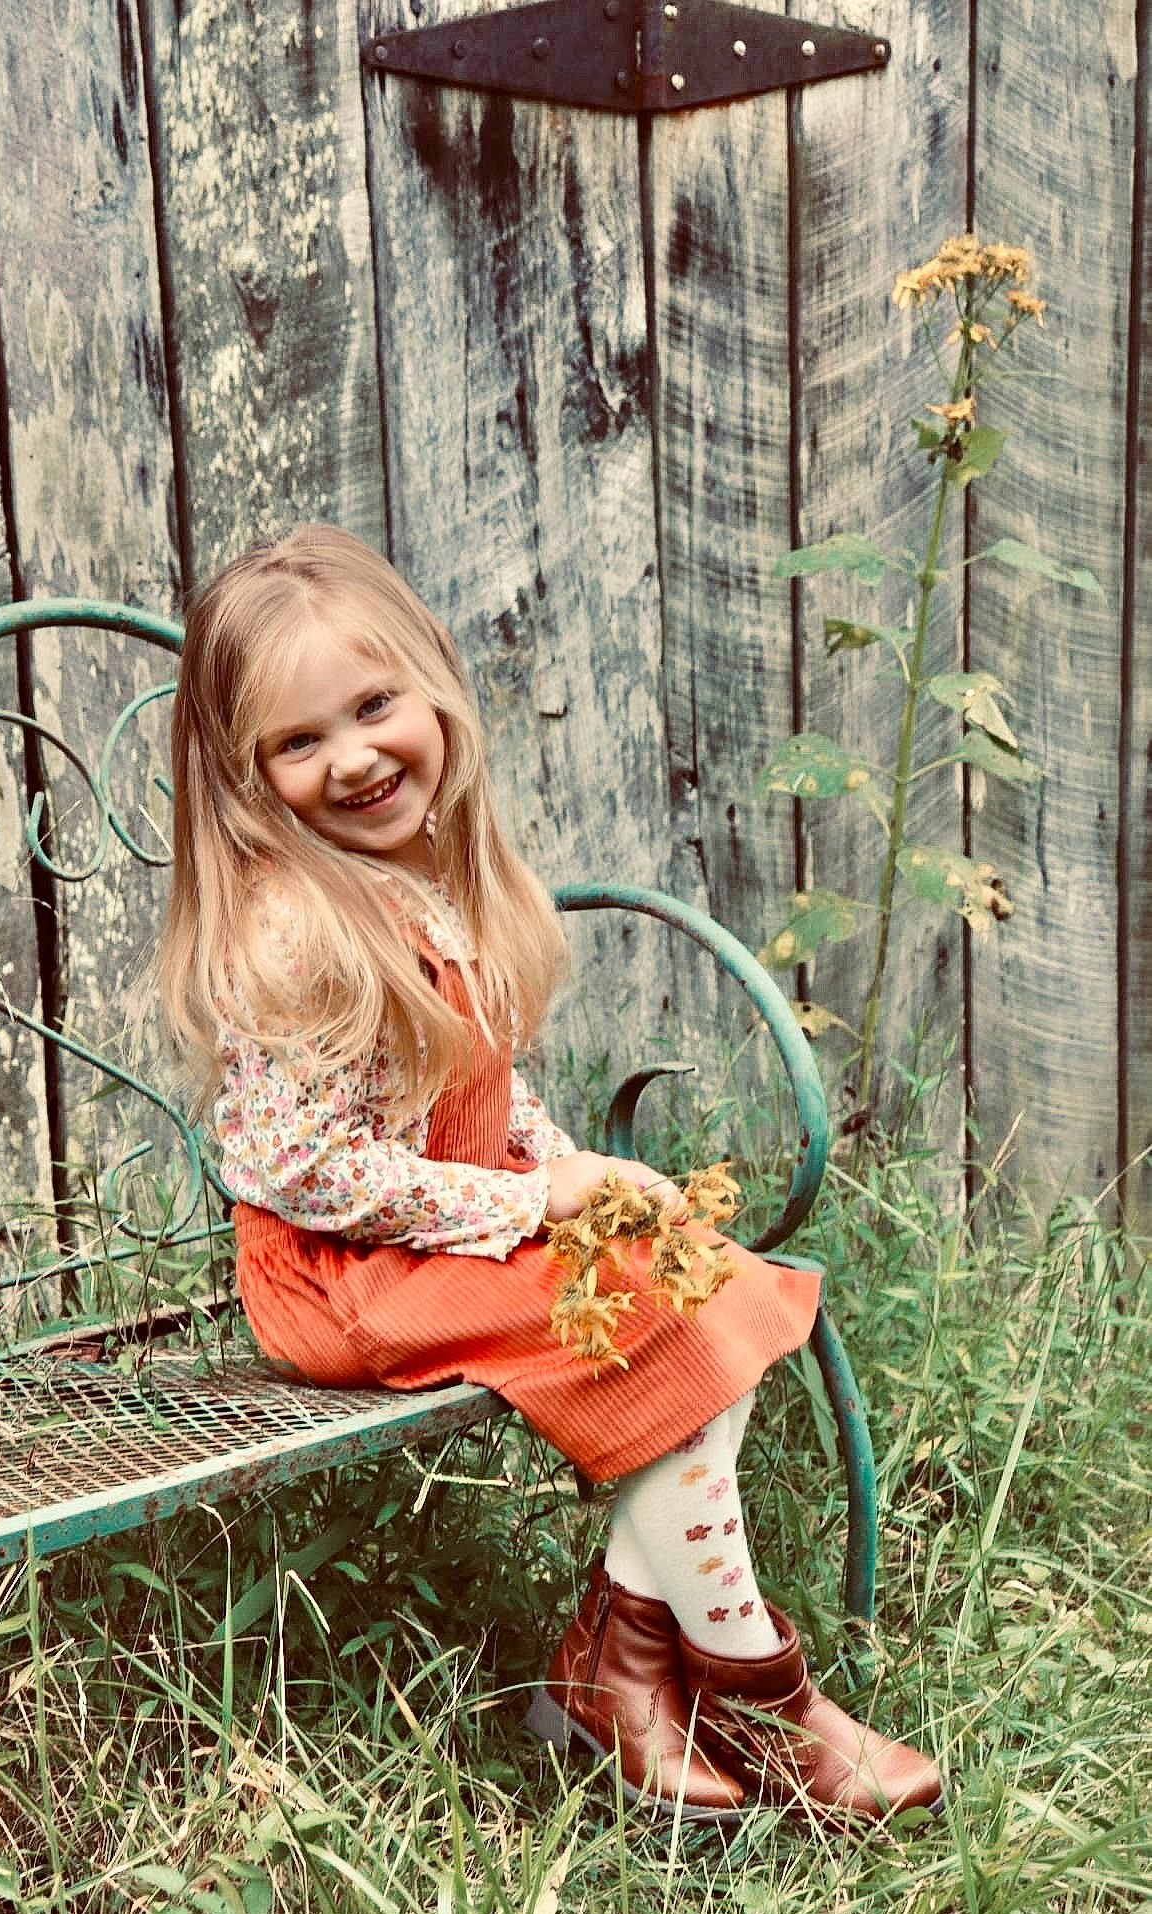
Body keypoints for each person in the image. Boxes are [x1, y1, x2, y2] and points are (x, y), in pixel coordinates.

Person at [159, 524, 942, 1828]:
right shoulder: (295, 922)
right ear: (245, 778)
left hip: (431, 1241)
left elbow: (463, 1072)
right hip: (342, 1279)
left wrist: (560, 1158)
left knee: (700, 1272)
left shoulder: (420, 880)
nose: (351, 756)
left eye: (373, 706)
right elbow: (291, 1168)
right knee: (654, 1313)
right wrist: (529, 1206)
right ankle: (764, 1695)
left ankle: (612, 1666)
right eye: (298, 743)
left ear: (435, 694)